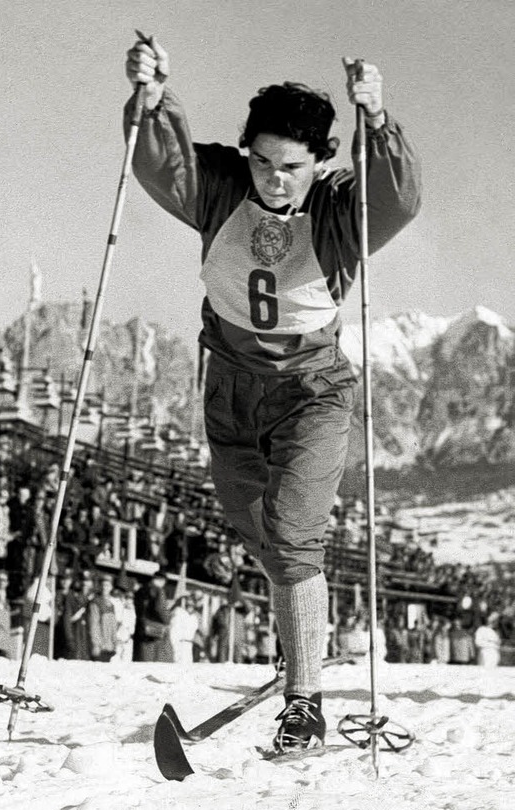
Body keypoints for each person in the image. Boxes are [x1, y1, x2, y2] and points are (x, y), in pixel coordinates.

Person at [125, 35, 421, 751]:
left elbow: (400, 199)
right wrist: (153, 96)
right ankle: (304, 627)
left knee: (293, 537)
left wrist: (377, 120)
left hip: (310, 391)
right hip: (228, 386)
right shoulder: (223, 186)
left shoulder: (340, 211)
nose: (274, 179)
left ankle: (305, 701)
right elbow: (159, 161)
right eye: (261, 161)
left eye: (291, 167)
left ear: (320, 162)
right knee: (255, 526)